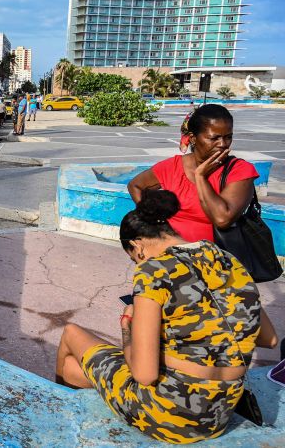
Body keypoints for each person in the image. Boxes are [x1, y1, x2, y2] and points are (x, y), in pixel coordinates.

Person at [56, 189, 278, 443]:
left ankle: (61, 424)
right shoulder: (228, 261)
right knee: (74, 369)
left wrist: (128, 325)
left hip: (169, 418)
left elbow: (144, 375)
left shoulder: (152, 271)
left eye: (134, 259)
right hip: (219, 415)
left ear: (137, 246)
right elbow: (268, 340)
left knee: (71, 335)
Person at [128, 104, 257, 243]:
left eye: (228, 137)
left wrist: (200, 177)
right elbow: (135, 186)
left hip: (215, 259)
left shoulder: (240, 170)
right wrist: (156, 223)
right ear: (193, 138)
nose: (223, 144)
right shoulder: (172, 167)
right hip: (170, 255)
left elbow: (222, 219)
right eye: (214, 138)